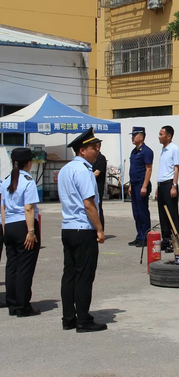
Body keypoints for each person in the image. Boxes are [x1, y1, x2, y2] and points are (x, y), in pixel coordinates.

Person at [58, 127, 107, 333]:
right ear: (81, 151)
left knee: (69, 274)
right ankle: (84, 320)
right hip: (83, 228)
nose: (96, 151)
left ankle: (69, 317)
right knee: (84, 275)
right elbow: (89, 204)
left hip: (68, 227)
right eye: (93, 148)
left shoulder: (65, 169)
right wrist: (100, 229)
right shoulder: (84, 170)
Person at [0, 148, 41, 317]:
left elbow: (2, 206)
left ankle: (12, 304)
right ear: (28, 163)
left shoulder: (6, 180)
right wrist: (31, 231)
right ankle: (23, 306)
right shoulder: (27, 180)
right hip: (24, 225)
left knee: (12, 266)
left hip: (9, 226)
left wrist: (4, 226)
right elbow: (29, 207)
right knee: (25, 267)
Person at [156, 125, 179, 252]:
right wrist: (157, 187)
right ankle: (165, 240)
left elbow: (176, 168)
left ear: (169, 136)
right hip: (161, 185)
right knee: (162, 214)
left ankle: (175, 240)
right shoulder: (163, 150)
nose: (159, 137)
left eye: (161, 134)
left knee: (172, 213)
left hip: (170, 184)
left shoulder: (174, 149)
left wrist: (174, 186)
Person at [128, 127, 153, 247]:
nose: (132, 137)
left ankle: (145, 237)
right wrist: (130, 185)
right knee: (136, 212)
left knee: (143, 212)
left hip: (141, 185)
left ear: (141, 137)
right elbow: (132, 169)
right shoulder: (134, 151)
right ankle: (139, 235)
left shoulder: (146, 151)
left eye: (135, 135)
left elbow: (148, 169)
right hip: (134, 184)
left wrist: (144, 186)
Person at [92, 143, 107, 231]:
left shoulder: (101, 158)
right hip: (91, 186)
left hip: (98, 186)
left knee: (98, 207)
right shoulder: (92, 158)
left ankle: (100, 229)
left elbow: (97, 173)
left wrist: (85, 177)